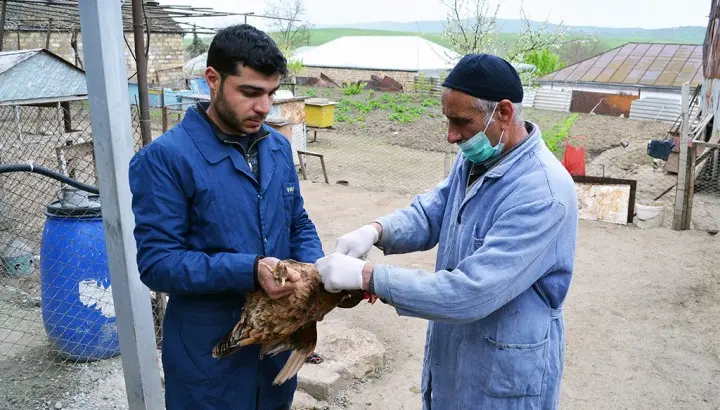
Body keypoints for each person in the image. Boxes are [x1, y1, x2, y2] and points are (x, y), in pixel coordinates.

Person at [316, 54, 578, 409]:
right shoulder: (477, 159)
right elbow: (431, 212)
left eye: (461, 121)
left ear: (503, 112)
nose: (451, 135)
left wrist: (367, 276)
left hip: (504, 373)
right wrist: (376, 231)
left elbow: (472, 292)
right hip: (458, 351)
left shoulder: (543, 193)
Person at [128, 24, 323, 410]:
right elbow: (157, 263)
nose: (264, 107)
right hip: (209, 358)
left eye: (271, 93)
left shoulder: (278, 149)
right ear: (212, 81)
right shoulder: (166, 159)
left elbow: (297, 221)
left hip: (276, 349)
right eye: (250, 92)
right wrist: (251, 271)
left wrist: (315, 270)